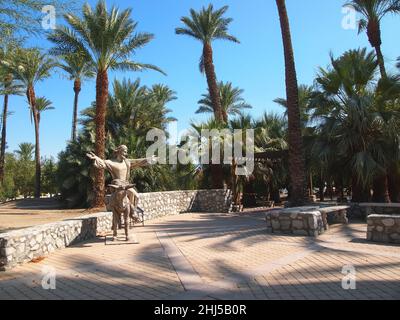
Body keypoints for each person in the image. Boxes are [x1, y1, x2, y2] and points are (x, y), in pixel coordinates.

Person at [87, 145, 157, 215]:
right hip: (117, 185)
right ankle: (131, 212)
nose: (125, 154)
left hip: (126, 184)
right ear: (119, 152)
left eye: (126, 152)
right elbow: (102, 162)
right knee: (131, 193)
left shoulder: (127, 162)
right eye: (124, 152)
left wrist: (149, 159)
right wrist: (95, 158)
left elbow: (138, 161)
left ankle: (132, 211)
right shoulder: (111, 162)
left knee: (137, 196)